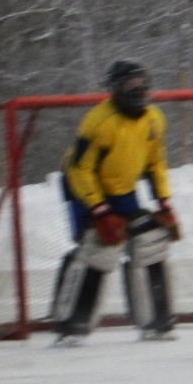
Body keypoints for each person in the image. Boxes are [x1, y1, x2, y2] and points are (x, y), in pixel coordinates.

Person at [53, 61, 180, 343]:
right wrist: (101, 212)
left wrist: (165, 204)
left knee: (151, 240)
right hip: (83, 187)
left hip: (122, 187)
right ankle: (71, 324)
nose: (137, 89)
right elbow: (78, 170)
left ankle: (155, 322)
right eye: (128, 84)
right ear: (114, 89)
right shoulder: (98, 122)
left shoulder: (154, 119)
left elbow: (155, 163)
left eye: (141, 82)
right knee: (99, 247)